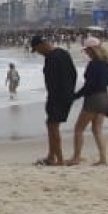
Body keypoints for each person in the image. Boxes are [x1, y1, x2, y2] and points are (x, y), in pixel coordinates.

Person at [31, 34, 77, 166]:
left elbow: (58, 80)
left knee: (52, 126)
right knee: (51, 125)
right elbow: (73, 74)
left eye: (37, 49)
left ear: (42, 45)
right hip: (62, 96)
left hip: (58, 97)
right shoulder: (62, 54)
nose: (38, 53)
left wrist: (61, 95)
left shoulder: (53, 57)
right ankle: (51, 156)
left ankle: (60, 159)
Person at [68, 40, 108, 165]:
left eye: (87, 50)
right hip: (105, 97)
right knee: (97, 130)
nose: (86, 53)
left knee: (79, 129)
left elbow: (89, 85)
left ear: (92, 50)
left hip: (93, 98)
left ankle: (76, 157)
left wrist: (75, 96)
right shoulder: (106, 64)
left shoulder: (93, 64)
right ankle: (103, 159)